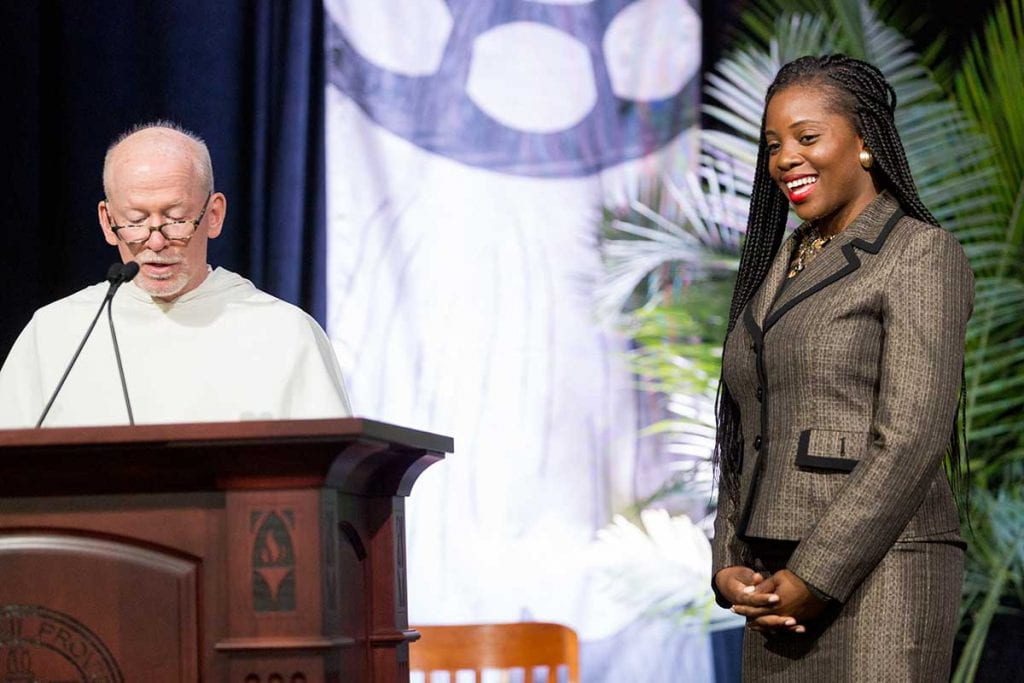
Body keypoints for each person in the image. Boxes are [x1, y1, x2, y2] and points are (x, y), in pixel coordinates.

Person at [710, 55, 973, 681]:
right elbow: (746, 429)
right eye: (774, 145)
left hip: (882, 576)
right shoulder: (780, 264)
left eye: (807, 137)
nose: (785, 159)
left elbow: (911, 438)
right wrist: (728, 564)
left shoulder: (918, 253)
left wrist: (816, 575)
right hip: (774, 587)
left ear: (864, 143)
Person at [0, 121, 351, 428]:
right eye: (136, 221)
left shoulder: (284, 335)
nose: (155, 241)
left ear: (213, 215)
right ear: (107, 222)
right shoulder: (54, 334)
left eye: (176, 218)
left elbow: (333, 482)